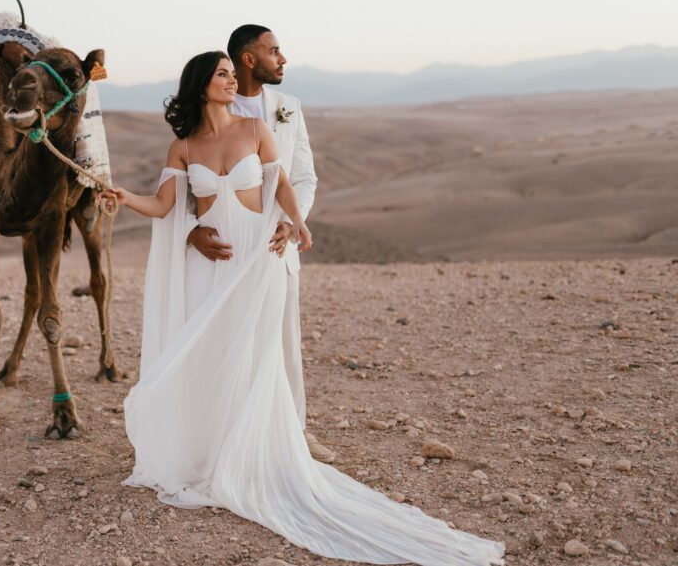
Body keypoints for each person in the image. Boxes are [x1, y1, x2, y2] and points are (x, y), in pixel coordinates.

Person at [101, 51, 506, 565]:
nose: (232, 81)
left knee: (253, 354)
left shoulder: (254, 130)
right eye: (223, 74)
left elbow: (285, 183)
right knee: (209, 352)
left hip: (256, 258)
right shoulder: (183, 145)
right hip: (212, 262)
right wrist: (123, 197)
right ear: (202, 84)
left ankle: (249, 456)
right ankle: (207, 452)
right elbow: (164, 206)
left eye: (232, 72)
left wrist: (298, 222)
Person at [186, 24, 332, 462]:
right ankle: (223, 438)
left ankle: (294, 435)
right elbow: (184, 188)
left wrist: (293, 220)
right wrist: (190, 232)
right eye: (274, 51)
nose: (282, 59)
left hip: (274, 248)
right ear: (248, 59)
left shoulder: (288, 108)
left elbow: (302, 176)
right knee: (223, 343)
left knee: (282, 343)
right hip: (223, 251)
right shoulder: (204, 111)